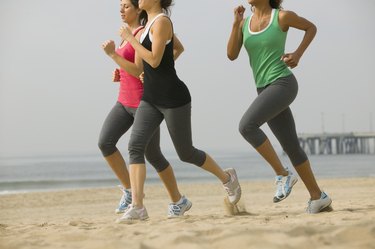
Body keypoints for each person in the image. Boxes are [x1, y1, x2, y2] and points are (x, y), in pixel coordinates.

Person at [117, 0, 242, 222]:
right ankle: (137, 206)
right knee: (135, 146)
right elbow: (149, 64)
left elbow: (155, 60)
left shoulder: (162, 22)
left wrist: (130, 40)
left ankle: (227, 178)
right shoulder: (146, 26)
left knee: (186, 153)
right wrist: (143, 70)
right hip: (150, 98)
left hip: (173, 98)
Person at [226, 0, 332, 213]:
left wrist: (298, 54)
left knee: (247, 126)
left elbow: (311, 27)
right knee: (291, 146)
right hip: (263, 89)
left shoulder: (281, 17)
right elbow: (231, 55)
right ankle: (317, 196)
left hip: (283, 83)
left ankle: (283, 175)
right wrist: (235, 23)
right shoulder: (244, 23)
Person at [99, 0, 190, 218]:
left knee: (154, 155)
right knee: (105, 142)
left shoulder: (143, 31)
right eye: (120, 6)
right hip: (124, 101)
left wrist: (114, 56)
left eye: (126, 6)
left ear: (138, 9)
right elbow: (132, 67)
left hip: (143, 101)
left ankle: (177, 199)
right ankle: (131, 192)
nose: (121, 9)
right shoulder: (129, 33)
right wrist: (119, 72)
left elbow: (141, 65)